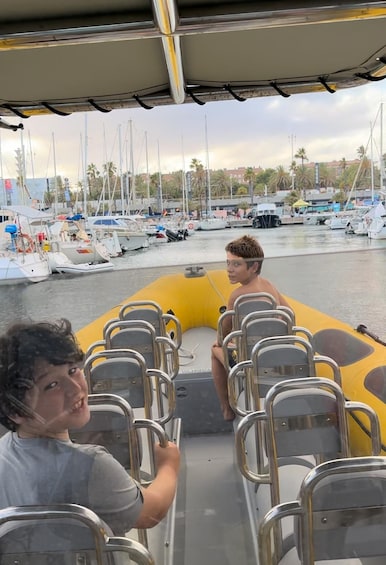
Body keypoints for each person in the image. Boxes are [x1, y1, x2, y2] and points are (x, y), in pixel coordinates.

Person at [0, 318, 180, 535]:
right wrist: (168, 465)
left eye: (73, 370)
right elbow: (152, 512)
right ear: (15, 411)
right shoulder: (91, 465)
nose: (75, 388)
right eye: (52, 385)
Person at [211, 235, 292, 421]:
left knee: (214, 349)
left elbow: (222, 335)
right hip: (274, 355)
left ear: (253, 267)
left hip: (249, 362)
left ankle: (226, 408)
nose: (229, 270)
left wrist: (229, 341)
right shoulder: (269, 285)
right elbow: (289, 314)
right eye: (228, 263)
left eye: (236, 265)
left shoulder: (238, 296)